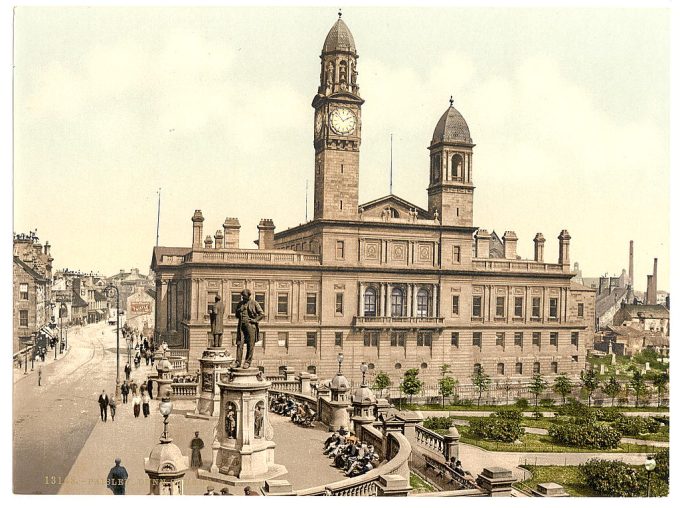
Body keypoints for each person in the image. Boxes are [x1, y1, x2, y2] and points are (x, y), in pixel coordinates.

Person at [234, 289, 264, 369]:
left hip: (251, 326)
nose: (243, 298)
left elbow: (261, 314)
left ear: (248, 296)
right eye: (242, 296)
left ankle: (247, 362)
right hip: (241, 326)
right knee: (239, 344)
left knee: (250, 345)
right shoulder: (240, 304)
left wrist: (255, 320)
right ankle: (237, 362)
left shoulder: (254, 303)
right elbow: (236, 315)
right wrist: (239, 310)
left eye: (244, 296)